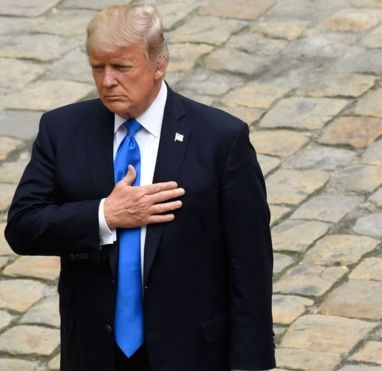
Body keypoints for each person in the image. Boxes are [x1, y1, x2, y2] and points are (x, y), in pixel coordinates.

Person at [5, 4, 275, 371]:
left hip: (190, 351)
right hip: (96, 352)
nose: (107, 81)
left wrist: (251, 363)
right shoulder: (63, 130)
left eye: (122, 67)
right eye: (97, 67)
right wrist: (104, 215)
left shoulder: (220, 141)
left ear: (158, 65)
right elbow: (23, 226)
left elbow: (250, 265)